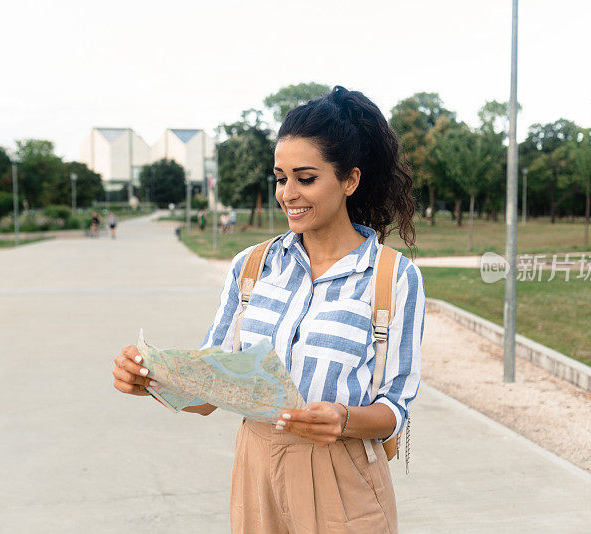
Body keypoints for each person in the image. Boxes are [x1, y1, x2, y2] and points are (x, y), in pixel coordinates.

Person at [112, 86, 423, 533]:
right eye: (281, 178)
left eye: (306, 178)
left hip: (343, 477)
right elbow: (210, 392)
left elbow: (396, 406)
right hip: (255, 469)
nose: (288, 193)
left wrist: (345, 419)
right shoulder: (252, 268)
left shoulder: (393, 278)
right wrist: (151, 379)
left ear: (350, 180)